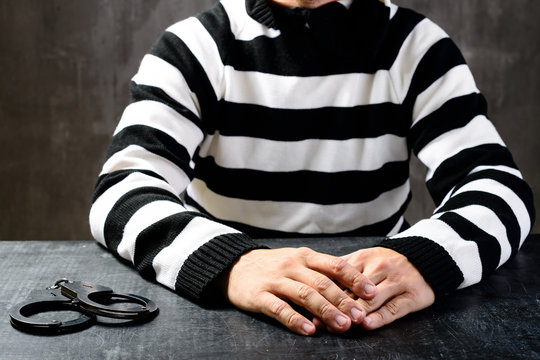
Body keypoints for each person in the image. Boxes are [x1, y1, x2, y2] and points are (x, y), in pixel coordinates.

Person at [89, 0, 535, 336]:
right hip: (230, 312)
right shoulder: (196, 46)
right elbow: (122, 190)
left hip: (376, 309)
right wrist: (232, 264)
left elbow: (498, 185)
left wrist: (425, 258)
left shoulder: (415, 46)